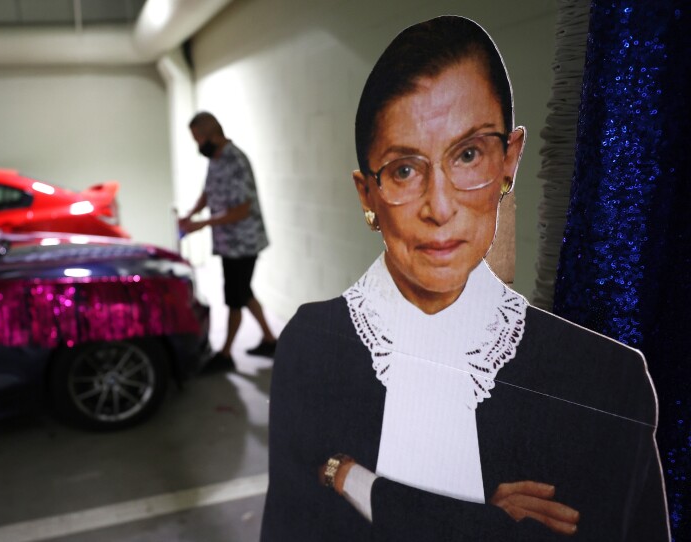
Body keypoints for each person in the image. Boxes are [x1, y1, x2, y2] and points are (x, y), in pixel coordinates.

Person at [260, 15, 669, 541]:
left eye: (469, 154)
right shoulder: (313, 347)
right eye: (405, 169)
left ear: (510, 161)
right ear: (368, 195)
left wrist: (349, 477)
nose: (440, 205)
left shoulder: (606, 382)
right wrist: (485, 521)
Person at [179, 112, 278, 366]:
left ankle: (225, 354)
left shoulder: (236, 160)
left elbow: (242, 210)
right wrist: (192, 213)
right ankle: (270, 340)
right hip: (228, 243)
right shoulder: (216, 159)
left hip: (243, 244)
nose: (199, 146)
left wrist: (203, 224)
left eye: (199, 139)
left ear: (213, 134)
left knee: (234, 298)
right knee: (243, 291)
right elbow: (209, 192)